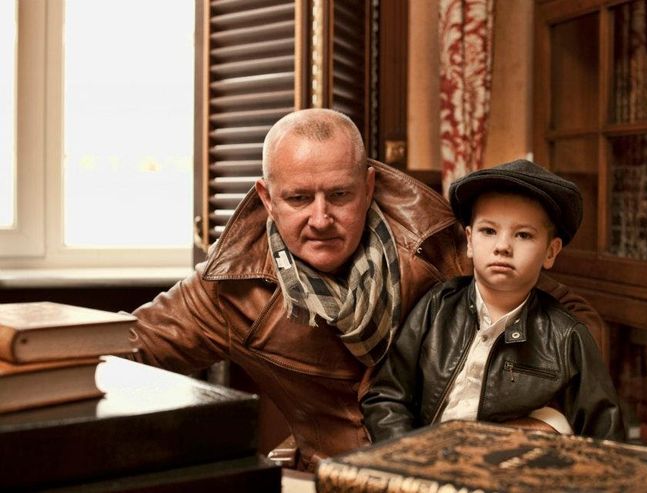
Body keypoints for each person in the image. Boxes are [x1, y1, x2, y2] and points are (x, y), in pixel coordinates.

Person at [129, 109, 611, 471]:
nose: (320, 218)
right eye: (298, 198)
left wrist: (537, 419)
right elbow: (126, 348)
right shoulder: (228, 286)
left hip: (448, 475)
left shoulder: (441, 245)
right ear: (267, 199)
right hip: (332, 479)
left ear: (368, 186)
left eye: (339, 195)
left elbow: (570, 318)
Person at [361, 159, 625, 443]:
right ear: (469, 241)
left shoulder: (567, 336)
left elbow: (606, 438)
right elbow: (386, 398)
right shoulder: (437, 307)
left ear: (551, 251)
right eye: (488, 231)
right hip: (421, 462)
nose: (502, 247)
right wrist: (409, 456)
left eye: (523, 235)